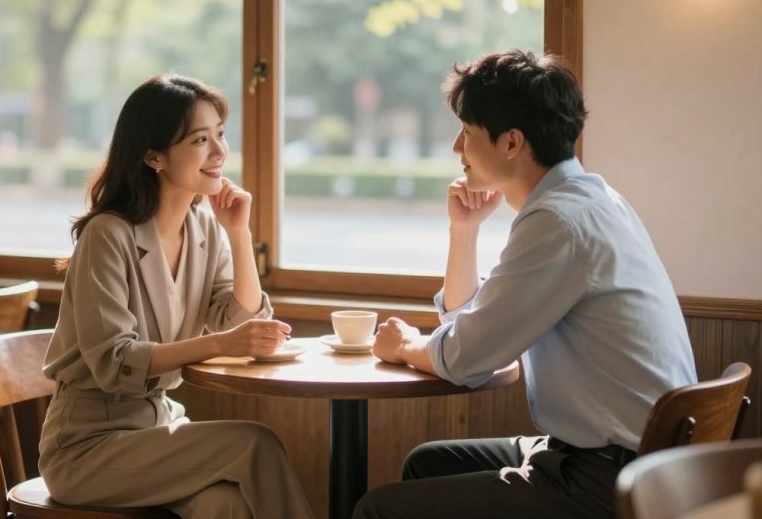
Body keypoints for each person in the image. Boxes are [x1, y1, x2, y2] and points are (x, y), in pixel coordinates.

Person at [354, 50, 697, 519]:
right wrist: (465, 230)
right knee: (427, 462)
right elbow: (471, 329)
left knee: (378, 508)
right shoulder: (592, 199)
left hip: (607, 477)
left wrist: (404, 346)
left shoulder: (559, 222)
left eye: (468, 132)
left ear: (511, 142)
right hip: (629, 458)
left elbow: (465, 358)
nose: (457, 147)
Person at [38, 75, 314, 519]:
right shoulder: (106, 234)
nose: (220, 153)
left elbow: (235, 318)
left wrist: (239, 235)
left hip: (158, 428)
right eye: (200, 140)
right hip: (88, 447)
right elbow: (114, 361)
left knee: (223, 505)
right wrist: (221, 345)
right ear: (153, 156)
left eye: (220, 135)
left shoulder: (203, 226)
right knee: (254, 443)